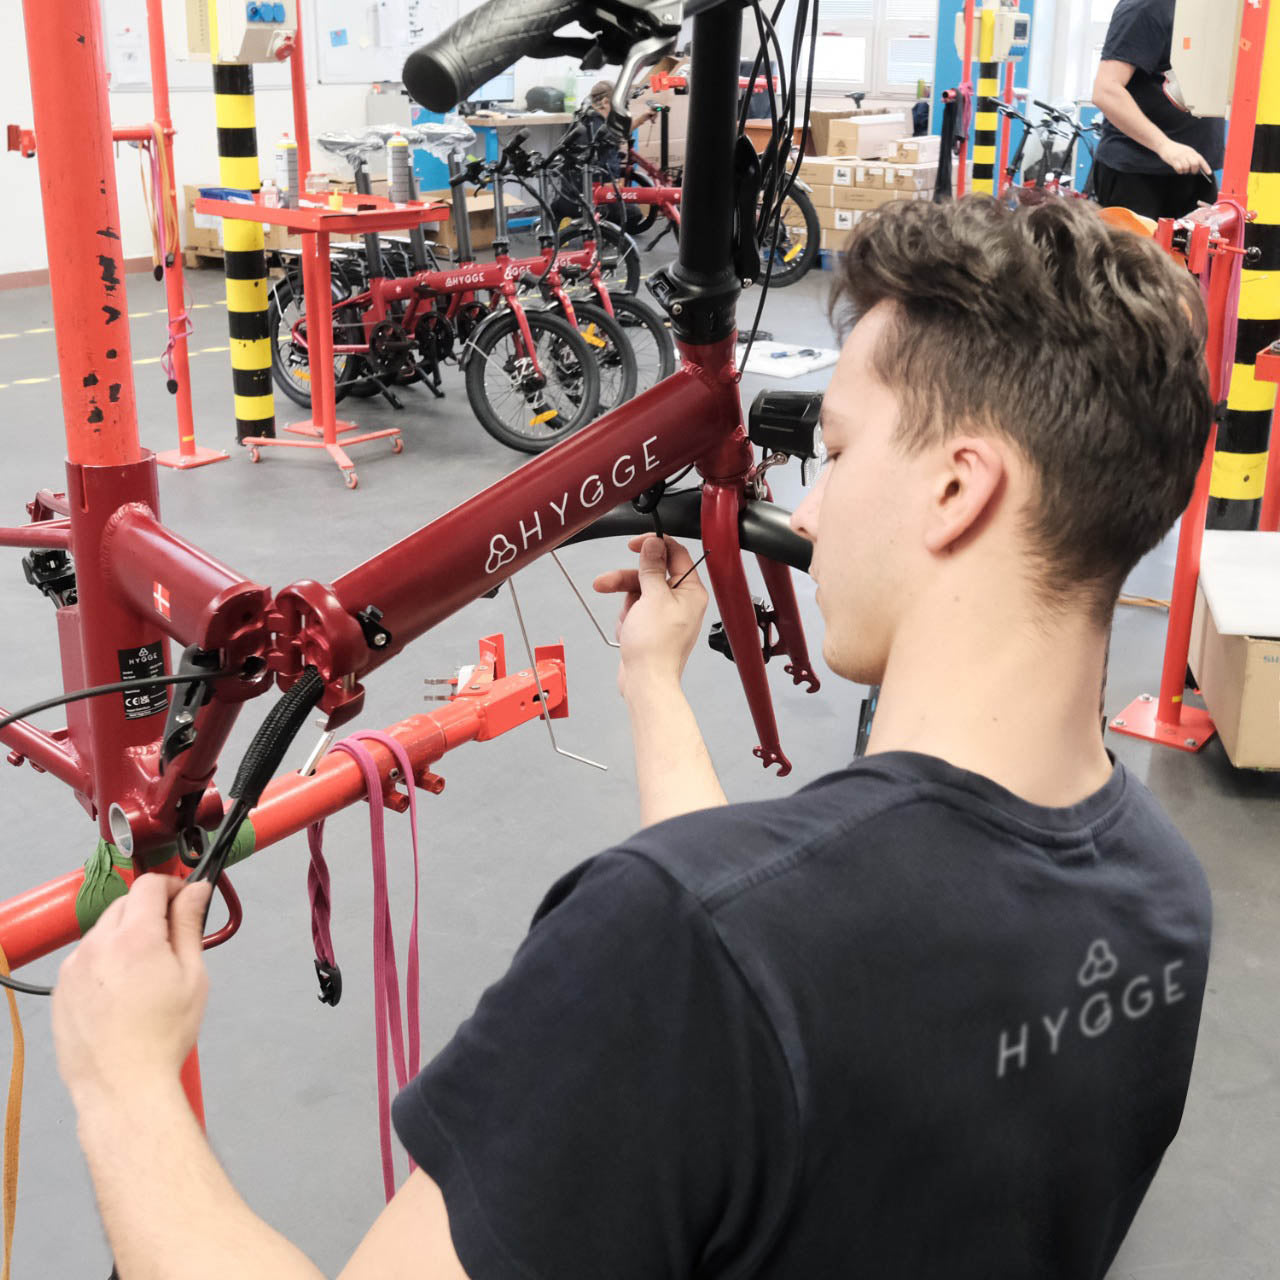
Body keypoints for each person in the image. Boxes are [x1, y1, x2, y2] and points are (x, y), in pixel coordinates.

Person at [53, 195, 1214, 1279]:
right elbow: (766, 937)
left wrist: (122, 1075)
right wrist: (650, 676)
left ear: (957, 490)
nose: (804, 509)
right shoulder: (1161, 897)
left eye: (845, 451)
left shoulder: (677, 944)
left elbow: (728, 946)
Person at [1091, 0, 1225, 219]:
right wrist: (1165, 146)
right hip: (1138, 172)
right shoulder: (1145, 6)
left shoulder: (1215, 9)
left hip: (1197, 170)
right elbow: (1106, 90)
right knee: (1138, 254)